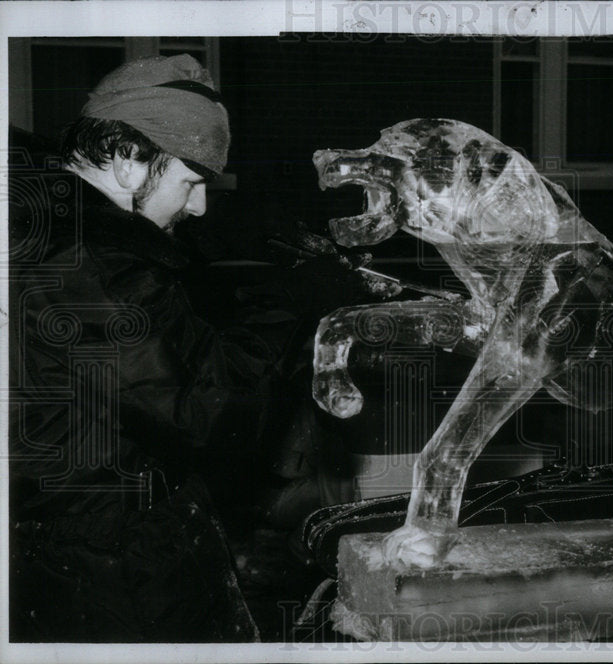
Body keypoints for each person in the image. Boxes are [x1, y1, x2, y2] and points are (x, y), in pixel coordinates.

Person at [7, 54, 381, 642]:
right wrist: (295, 304)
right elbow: (205, 410)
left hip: (94, 543)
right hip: (111, 565)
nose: (198, 204)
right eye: (192, 180)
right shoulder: (86, 262)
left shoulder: (60, 230)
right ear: (129, 157)